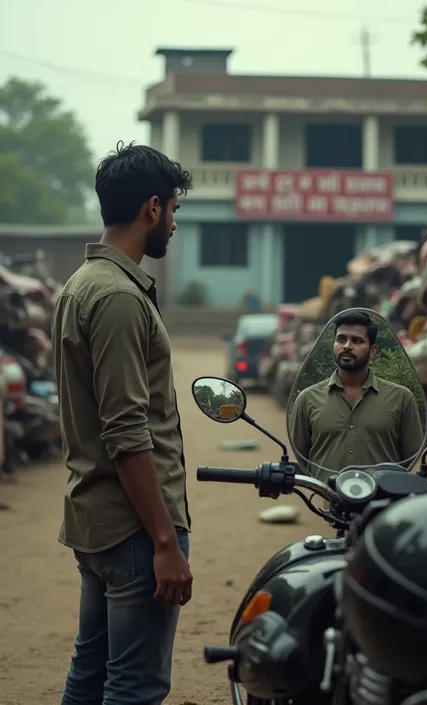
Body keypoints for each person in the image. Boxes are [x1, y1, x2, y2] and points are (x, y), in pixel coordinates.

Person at [51, 142, 193, 705]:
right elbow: (127, 434)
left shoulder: (81, 284)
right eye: (175, 211)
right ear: (152, 209)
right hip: (135, 527)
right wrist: (165, 542)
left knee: (91, 673)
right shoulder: (117, 298)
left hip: (100, 519)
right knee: (135, 685)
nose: (175, 225)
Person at [289, 310, 424, 482]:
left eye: (357, 341)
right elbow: (300, 459)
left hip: (383, 504)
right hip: (325, 504)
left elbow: (413, 460)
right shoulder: (307, 399)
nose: (347, 346)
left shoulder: (402, 398)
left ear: (373, 351)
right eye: (341, 339)